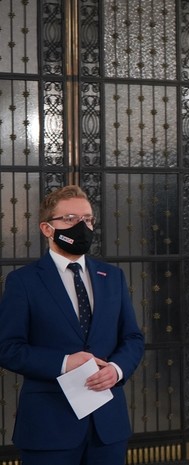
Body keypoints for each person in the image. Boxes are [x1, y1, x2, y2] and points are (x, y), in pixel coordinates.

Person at [0, 185, 145, 465]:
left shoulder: (112, 277)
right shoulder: (24, 282)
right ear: (47, 228)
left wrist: (116, 370)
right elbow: (7, 348)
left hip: (108, 426)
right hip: (48, 428)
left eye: (88, 219)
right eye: (70, 219)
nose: (82, 226)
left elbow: (133, 338)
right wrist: (65, 362)